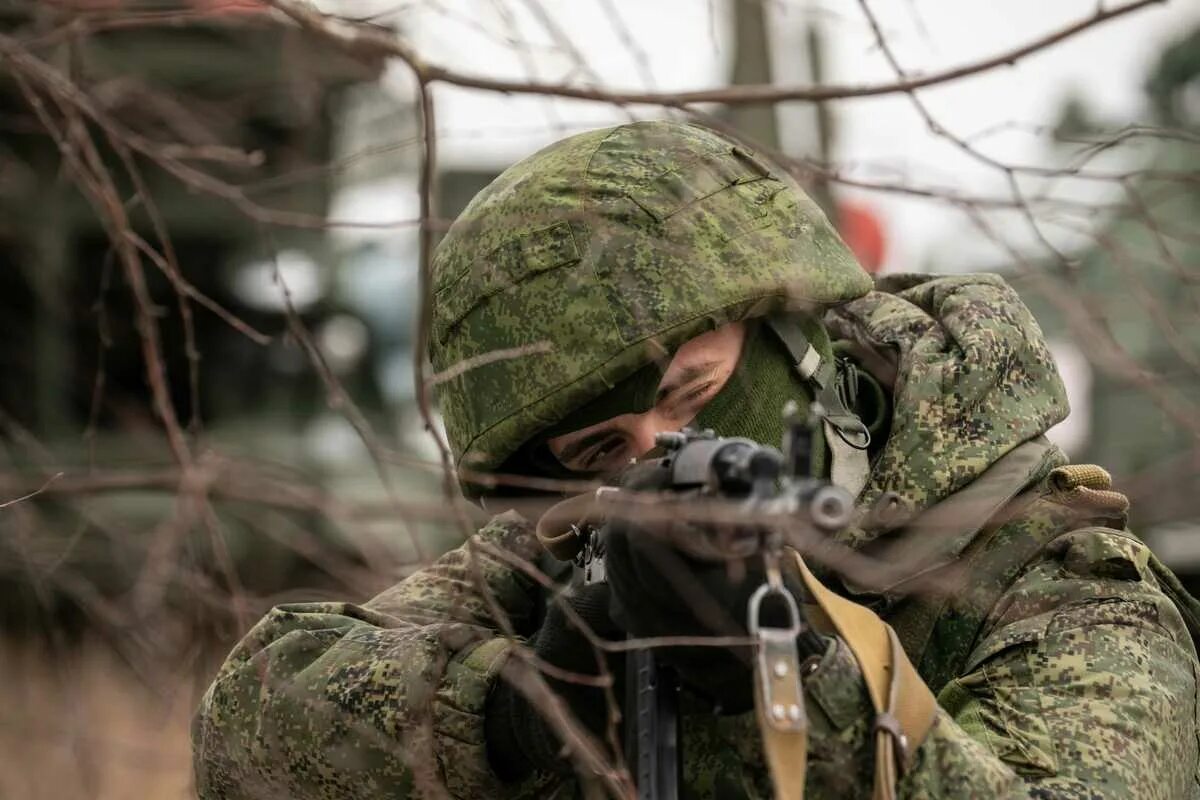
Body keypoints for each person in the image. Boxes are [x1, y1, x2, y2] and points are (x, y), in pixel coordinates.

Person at [192, 120, 1200, 799]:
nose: (657, 458)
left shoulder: (1050, 579)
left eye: (691, 392)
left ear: (805, 344)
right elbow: (250, 728)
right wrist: (530, 704)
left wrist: (786, 679)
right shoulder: (574, 556)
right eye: (601, 449)